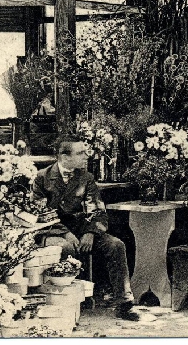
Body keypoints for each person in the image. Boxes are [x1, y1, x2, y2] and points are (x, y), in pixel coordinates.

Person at [31, 136, 142, 321]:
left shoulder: (86, 178)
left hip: (82, 229)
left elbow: (97, 209)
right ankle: (65, 304)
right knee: (65, 248)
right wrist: (65, 233)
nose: (86, 156)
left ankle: (124, 303)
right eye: (81, 153)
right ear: (64, 157)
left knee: (116, 245)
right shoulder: (42, 178)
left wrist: (90, 232)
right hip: (52, 230)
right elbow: (40, 212)